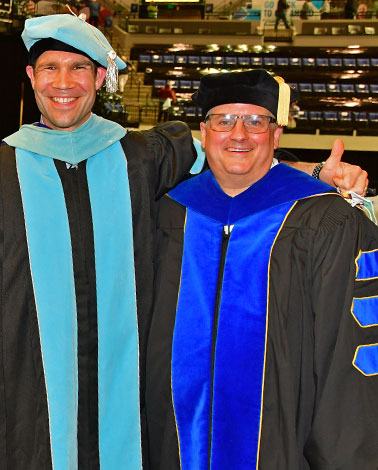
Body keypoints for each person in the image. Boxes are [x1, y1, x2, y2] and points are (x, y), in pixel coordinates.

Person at [0, 14, 368, 470]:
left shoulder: (143, 156)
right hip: (33, 404)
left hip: (133, 405)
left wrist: (316, 172)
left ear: (100, 77)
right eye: (49, 68)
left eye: (79, 68)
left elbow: (236, 162)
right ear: (31, 77)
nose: (64, 82)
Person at [146, 69, 378, 469]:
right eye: (224, 120)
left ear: (276, 134)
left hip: (284, 448)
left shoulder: (328, 221)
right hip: (176, 444)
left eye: (256, 121)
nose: (239, 134)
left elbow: (349, 362)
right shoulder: (171, 213)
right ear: (204, 132)